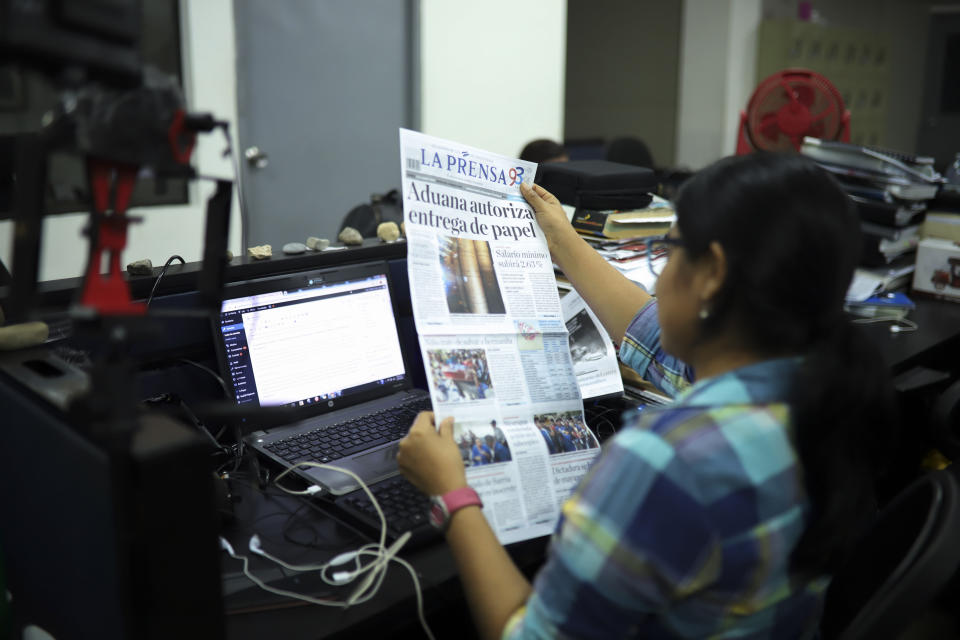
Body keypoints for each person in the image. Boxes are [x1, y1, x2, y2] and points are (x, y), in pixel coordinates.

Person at [397, 152, 899, 639]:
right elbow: (649, 334)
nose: (660, 271)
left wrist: (453, 496)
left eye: (669, 249)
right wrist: (563, 239)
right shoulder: (824, 392)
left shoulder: (666, 460)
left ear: (712, 273)